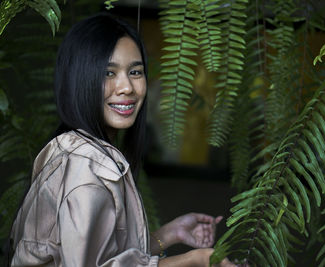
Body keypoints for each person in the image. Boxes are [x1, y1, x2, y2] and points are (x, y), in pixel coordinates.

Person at [8, 14, 237, 267]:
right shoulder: (86, 167)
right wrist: (196, 260)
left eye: (135, 72)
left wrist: (169, 235)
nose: (127, 86)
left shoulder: (71, 150)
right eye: (108, 72)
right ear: (80, 79)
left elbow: (92, 253)